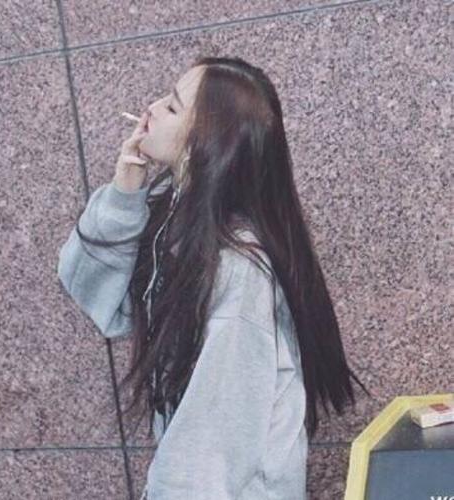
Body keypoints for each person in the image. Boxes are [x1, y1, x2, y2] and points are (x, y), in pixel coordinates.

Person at [57, 55, 372, 500]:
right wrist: (124, 194)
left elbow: (211, 443)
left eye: (171, 106)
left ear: (204, 140)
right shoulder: (179, 222)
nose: (151, 108)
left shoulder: (237, 265)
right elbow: (97, 293)